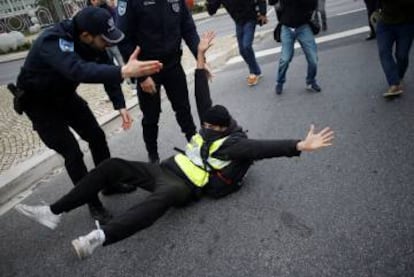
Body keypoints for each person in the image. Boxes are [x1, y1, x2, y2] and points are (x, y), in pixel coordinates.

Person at [15, 32, 334, 260]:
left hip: (183, 187)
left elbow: (262, 148)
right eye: (204, 125)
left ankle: (98, 238)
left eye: (210, 127)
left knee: (158, 202)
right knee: (112, 166)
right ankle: (53, 211)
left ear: (222, 128)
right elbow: (202, 99)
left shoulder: (232, 144)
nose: (205, 128)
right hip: (163, 169)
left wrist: (299, 145)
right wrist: (199, 58)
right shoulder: (211, 124)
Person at [14, 7, 163, 223]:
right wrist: (123, 72)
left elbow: (104, 68)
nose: (109, 44)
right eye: (105, 40)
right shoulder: (51, 41)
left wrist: (120, 105)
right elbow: (76, 70)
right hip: (39, 104)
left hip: (64, 96)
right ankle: (93, 204)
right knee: (73, 153)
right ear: (85, 36)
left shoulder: (92, 40)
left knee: (97, 137)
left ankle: (109, 184)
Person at [116, 0, 200, 164]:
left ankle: (196, 147)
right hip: (147, 68)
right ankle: (153, 157)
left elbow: (187, 26)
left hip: (173, 63)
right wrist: (141, 76)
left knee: (183, 108)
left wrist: (200, 57)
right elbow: (124, 39)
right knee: (151, 115)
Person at [206, 0, 267, 86]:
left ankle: (253, 73)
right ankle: (257, 71)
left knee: (246, 46)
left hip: (251, 18)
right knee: (242, 50)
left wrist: (263, 13)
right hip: (239, 21)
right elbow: (212, 10)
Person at [271, 0, 321, 95]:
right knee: (285, 59)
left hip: (303, 26)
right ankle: (280, 82)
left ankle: (311, 81)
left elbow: (313, 4)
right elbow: (272, 2)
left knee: (313, 58)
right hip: (286, 27)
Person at [375, 0, 414, 97]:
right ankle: (394, 83)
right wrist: (374, 10)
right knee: (384, 52)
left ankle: (398, 77)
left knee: (402, 56)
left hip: (406, 23)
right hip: (385, 22)